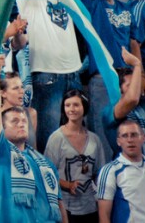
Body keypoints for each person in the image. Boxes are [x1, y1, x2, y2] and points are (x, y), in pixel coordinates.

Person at [0, 55, 67, 222]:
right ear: (2, 129)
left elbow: (58, 203)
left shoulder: (44, 163)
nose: (21, 124)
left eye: (23, 121)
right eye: (15, 121)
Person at [44, 90, 105, 222]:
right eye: (67, 105)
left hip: (90, 208)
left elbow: (99, 175)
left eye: (76, 105)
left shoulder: (95, 139)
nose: (71, 109)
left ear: (84, 107)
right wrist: (67, 185)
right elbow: (46, 174)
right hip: (65, 208)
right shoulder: (56, 138)